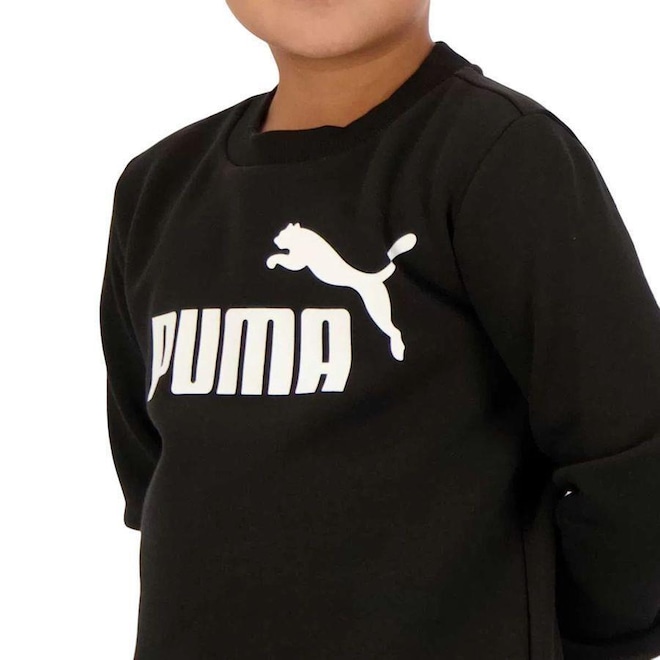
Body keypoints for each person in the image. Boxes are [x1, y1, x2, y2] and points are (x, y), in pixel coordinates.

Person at [98, 1, 660, 658]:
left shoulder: (499, 155)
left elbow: (631, 461)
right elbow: (152, 469)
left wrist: (579, 642)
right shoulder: (157, 188)